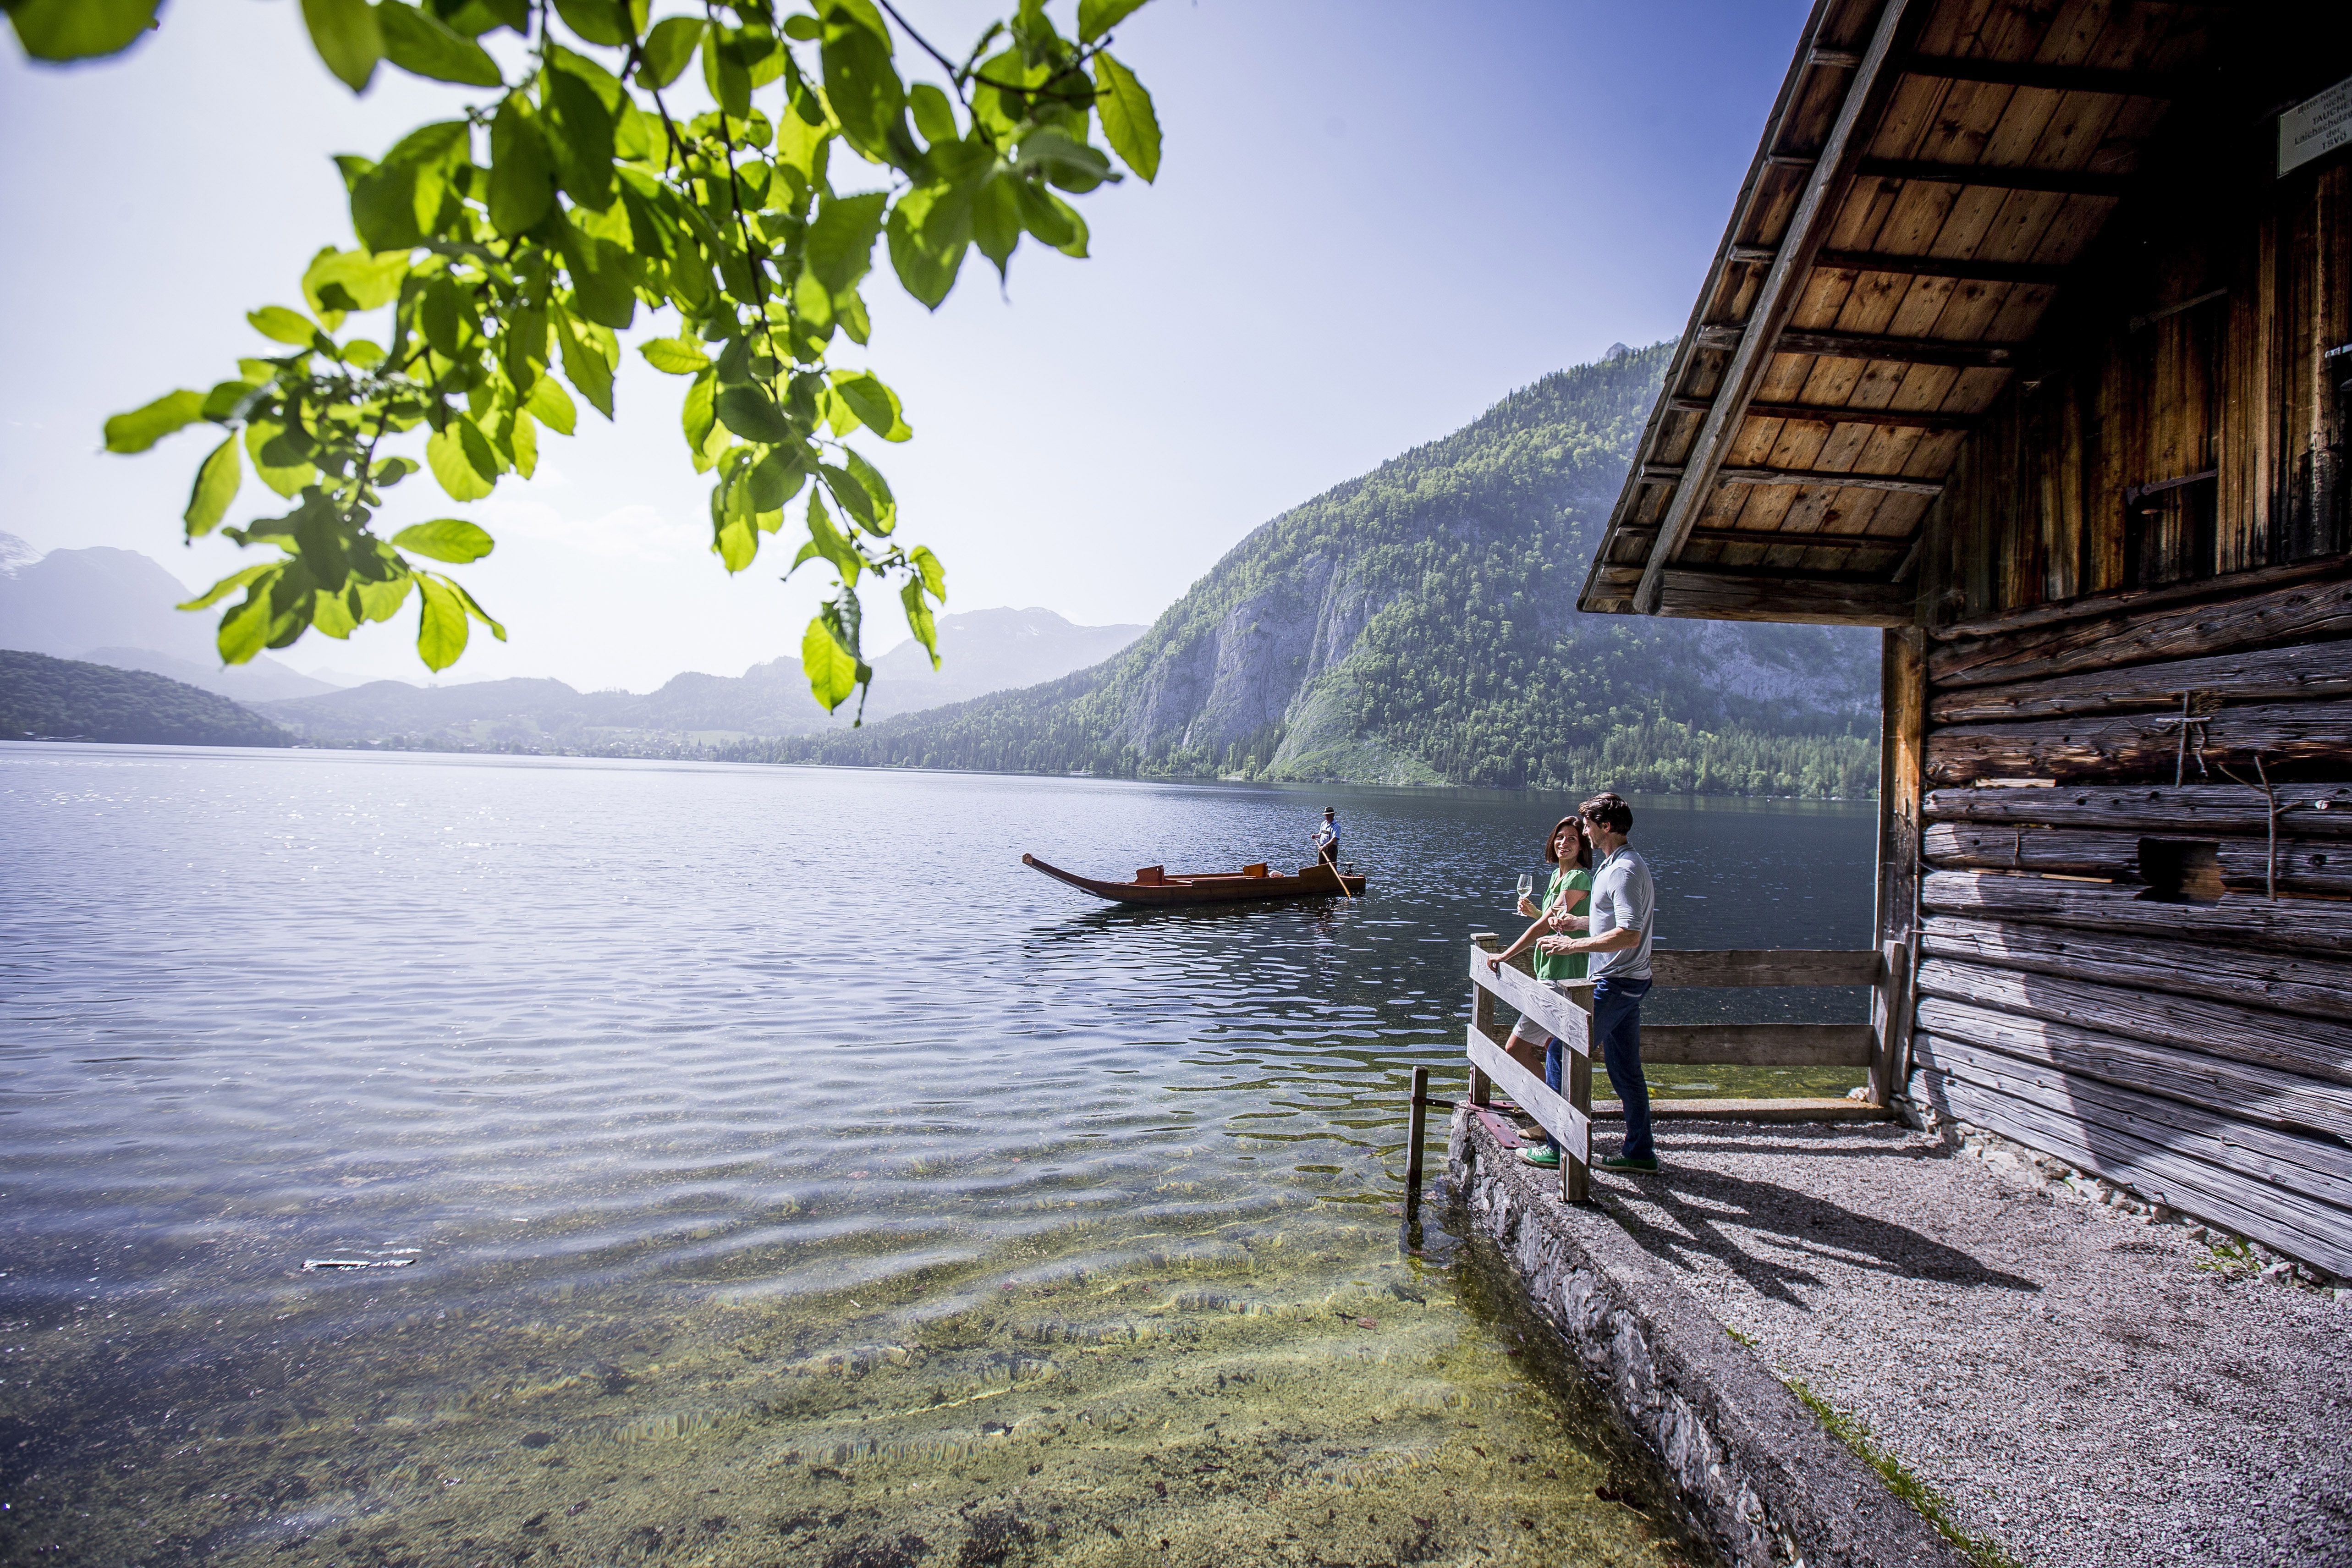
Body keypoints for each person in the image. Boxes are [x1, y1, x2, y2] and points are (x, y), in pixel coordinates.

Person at [1535, 792, 1658, 1173]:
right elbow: (1611, 921)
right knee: (1625, 1070)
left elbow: (1629, 934)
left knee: (1560, 1051)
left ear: (1606, 826)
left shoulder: (1623, 870)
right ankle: (1639, 1152)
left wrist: (1573, 943)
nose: (1584, 831)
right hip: (1627, 981)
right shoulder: (1614, 864)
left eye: (1588, 824)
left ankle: (1558, 1145)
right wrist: (1578, 923)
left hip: (1615, 981)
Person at [1486, 814, 1593, 1171]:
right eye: (1560, 838)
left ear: (1583, 846)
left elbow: (1546, 923)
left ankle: (1551, 1120)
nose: (1564, 843)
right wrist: (1535, 911)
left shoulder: (1578, 876)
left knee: (1516, 1047)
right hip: (1550, 972)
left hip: (1563, 979)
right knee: (1552, 1054)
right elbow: (1548, 917)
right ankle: (1551, 1120)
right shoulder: (1556, 876)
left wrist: (1504, 954)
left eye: (1573, 839)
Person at [1311, 807, 1341, 871]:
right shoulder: (1323, 824)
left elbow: (1335, 839)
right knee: (1320, 867)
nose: (1327, 817)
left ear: (1333, 815)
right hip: (1322, 848)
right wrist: (1315, 836)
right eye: (1326, 815)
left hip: (1331, 849)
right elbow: (1321, 835)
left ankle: (1333, 879)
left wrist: (1325, 846)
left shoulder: (1336, 826)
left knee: (1331, 868)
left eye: (1328, 815)